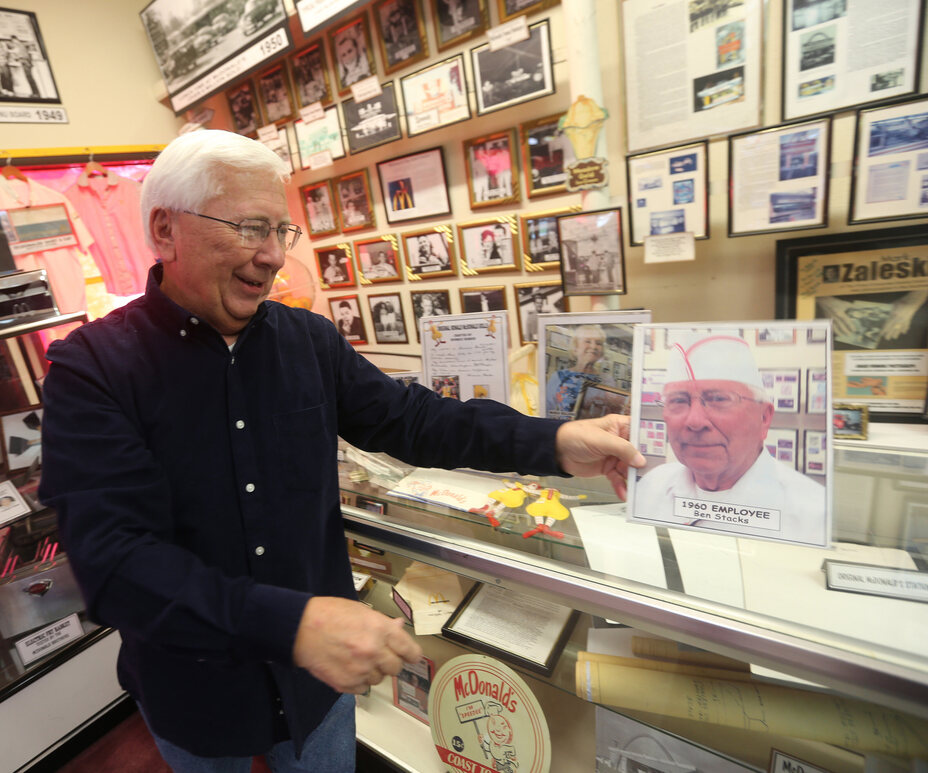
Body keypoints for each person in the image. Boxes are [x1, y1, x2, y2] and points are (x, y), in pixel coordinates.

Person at [38, 130, 643, 770]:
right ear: (165, 231)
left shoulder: (308, 339)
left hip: (315, 694)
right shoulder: (92, 368)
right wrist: (290, 625)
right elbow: (113, 560)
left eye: (281, 231)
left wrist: (551, 440)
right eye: (250, 228)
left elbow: (415, 420)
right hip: (196, 689)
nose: (273, 256)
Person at [632, 335, 826, 544]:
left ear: (764, 417)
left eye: (719, 399)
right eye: (678, 400)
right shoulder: (651, 488)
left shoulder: (813, 513)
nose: (695, 421)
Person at [545, 324, 615, 418]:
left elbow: (612, 413)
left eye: (598, 343)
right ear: (575, 348)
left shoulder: (607, 380)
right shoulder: (558, 377)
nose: (593, 346)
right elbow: (547, 412)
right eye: (588, 341)